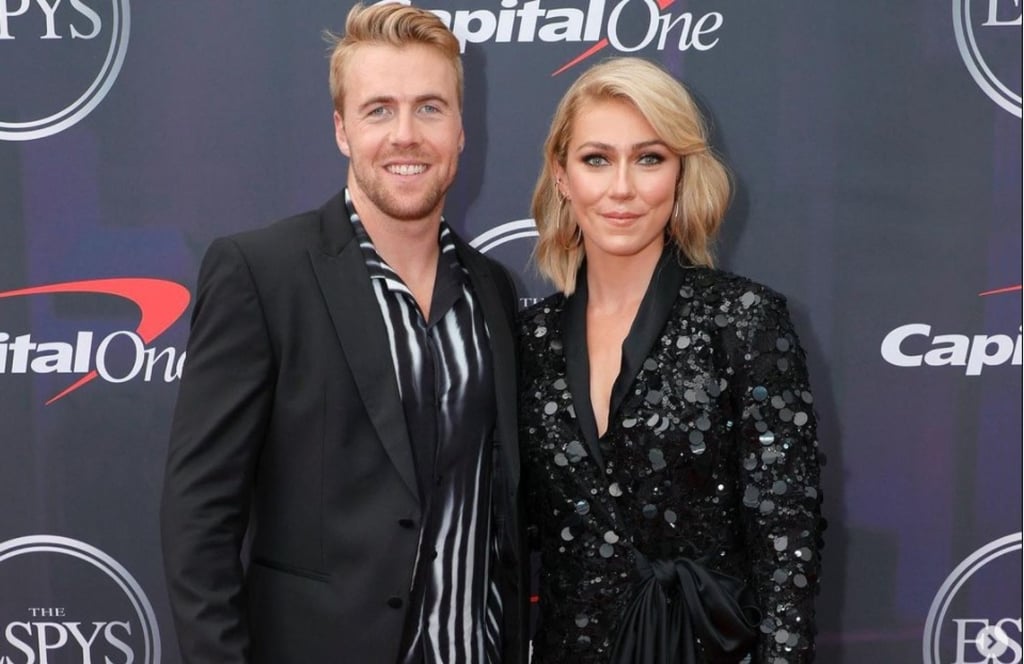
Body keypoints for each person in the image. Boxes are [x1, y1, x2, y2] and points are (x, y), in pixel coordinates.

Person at [160, 4, 526, 663]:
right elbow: (199, 523)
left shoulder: (493, 291)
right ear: (342, 129)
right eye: (379, 109)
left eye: (430, 108)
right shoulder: (261, 273)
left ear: (462, 131)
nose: (406, 135)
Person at [517, 57, 824, 663]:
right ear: (561, 175)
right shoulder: (529, 338)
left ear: (681, 173)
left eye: (649, 158)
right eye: (596, 159)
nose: (622, 187)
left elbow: (787, 541)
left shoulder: (744, 320)